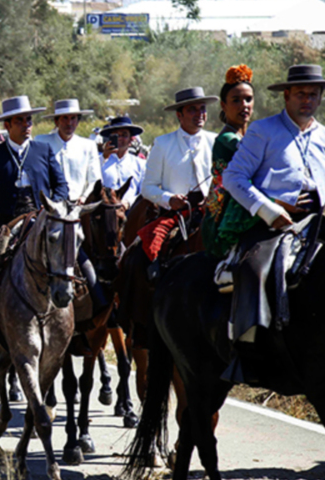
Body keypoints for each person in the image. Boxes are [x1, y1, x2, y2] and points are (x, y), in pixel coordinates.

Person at [221, 64, 325, 382]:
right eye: (301, 94)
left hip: (318, 219)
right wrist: (268, 211)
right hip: (273, 221)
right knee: (254, 269)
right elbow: (233, 176)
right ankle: (247, 353)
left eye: (314, 94)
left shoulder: (324, 134)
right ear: (287, 95)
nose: (307, 99)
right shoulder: (264, 131)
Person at [0, 96, 69, 346]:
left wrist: (54, 206)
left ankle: (86, 316)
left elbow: (61, 185)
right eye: (20, 121)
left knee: (77, 250)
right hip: (2, 220)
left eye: (29, 120)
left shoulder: (43, 149)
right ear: (7, 125)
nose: (26, 125)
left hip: (41, 217)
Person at [139, 87, 218, 271]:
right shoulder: (162, 143)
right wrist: (169, 199)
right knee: (146, 256)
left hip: (211, 210)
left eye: (202, 109)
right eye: (192, 109)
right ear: (179, 115)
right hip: (175, 214)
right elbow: (147, 187)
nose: (199, 114)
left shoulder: (216, 141)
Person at [201, 65, 258, 279]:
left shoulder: (252, 136)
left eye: (248, 99)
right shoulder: (226, 140)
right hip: (226, 212)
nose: (244, 105)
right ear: (224, 105)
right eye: (236, 100)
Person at [35, 99, 101, 203]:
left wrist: (85, 196)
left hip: (78, 204)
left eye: (73, 118)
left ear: (78, 121)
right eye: (65, 118)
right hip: (51, 205)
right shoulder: (41, 142)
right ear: (56, 121)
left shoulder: (88, 145)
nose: (69, 123)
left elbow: (95, 179)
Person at [99, 116, 146, 208]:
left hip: (131, 212)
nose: (120, 138)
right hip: (105, 212)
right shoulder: (100, 161)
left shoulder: (140, 164)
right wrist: (104, 157)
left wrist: (128, 203)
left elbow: (143, 191)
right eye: (116, 135)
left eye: (124, 135)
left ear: (130, 140)